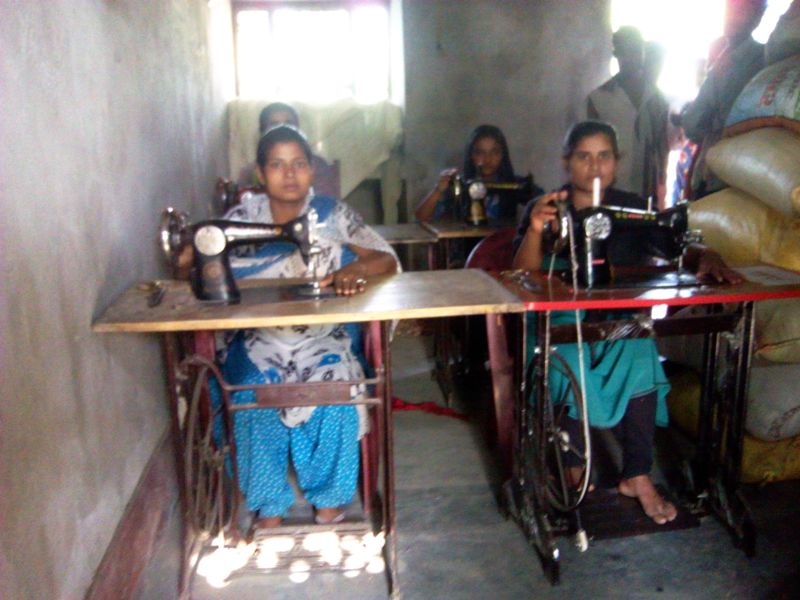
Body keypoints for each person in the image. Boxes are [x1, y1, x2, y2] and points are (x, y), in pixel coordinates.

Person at [512, 120, 741, 524]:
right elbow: (520, 273)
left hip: (612, 316)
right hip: (556, 318)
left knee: (639, 347)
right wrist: (533, 230)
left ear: (617, 162)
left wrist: (704, 255)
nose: (594, 165)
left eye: (604, 156)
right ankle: (573, 465)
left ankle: (637, 474)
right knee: (568, 356)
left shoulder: (632, 207)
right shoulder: (547, 207)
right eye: (584, 156)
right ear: (567, 162)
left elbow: (671, 244)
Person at [217, 124, 398, 529]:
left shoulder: (333, 214)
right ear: (260, 173)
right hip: (259, 337)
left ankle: (329, 502)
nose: (289, 174)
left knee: (338, 388)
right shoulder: (241, 219)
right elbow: (204, 264)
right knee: (249, 392)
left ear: (312, 170)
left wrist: (356, 270)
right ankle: (269, 506)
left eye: (298, 164)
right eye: (277, 165)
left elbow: (384, 258)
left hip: (321, 334)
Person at [679, 0, 767, 198]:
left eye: (740, 10)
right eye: (729, 8)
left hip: (724, 179)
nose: (731, 15)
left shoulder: (749, 62)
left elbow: (692, 124)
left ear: (758, 17)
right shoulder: (729, 57)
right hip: (732, 175)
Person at [587, 27, 669, 205]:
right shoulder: (599, 99)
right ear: (616, 54)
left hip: (645, 192)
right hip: (612, 190)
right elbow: (591, 149)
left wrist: (662, 180)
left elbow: (662, 145)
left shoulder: (657, 99)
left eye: (637, 49)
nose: (634, 56)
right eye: (627, 50)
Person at [414, 124, 542, 222]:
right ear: (471, 156)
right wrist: (438, 189)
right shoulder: (460, 185)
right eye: (480, 152)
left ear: (503, 155)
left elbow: (543, 202)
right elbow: (421, 217)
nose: (488, 159)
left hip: (502, 247)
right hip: (465, 248)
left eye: (495, 152)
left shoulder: (514, 184)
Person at [237, 102, 340, 199]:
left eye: (289, 123)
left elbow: (327, 202)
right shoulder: (249, 172)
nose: (282, 129)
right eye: (274, 125)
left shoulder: (318, 166)